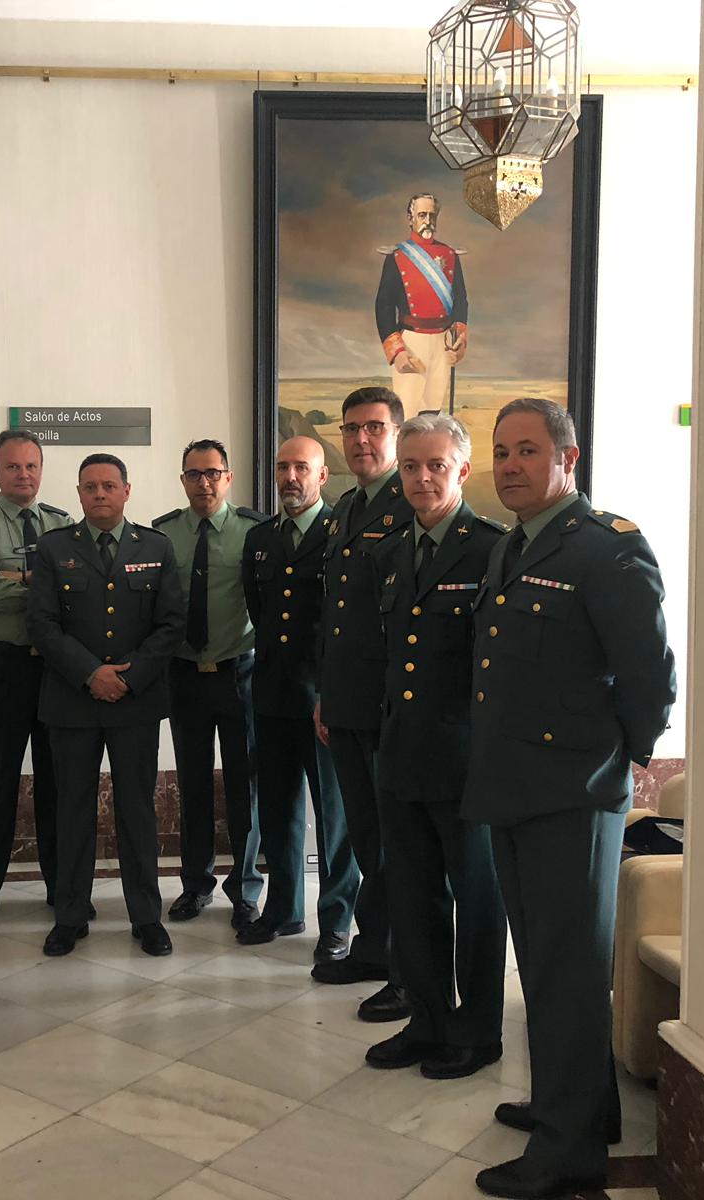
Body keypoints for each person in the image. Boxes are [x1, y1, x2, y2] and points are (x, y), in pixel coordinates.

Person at [466, 398, 675, 1200]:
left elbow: (651, 680)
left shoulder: (605, 550)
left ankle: (569, 1154)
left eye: (527, 451)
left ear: (568, 459)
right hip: (514, 787)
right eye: (502, 452)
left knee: (566, 972)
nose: (510, 465)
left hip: (573, 793)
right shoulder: (514, 546)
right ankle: (574, 1107)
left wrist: (617, 765)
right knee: (547, 967)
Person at [364, 413, 508, 1080]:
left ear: (462, 472)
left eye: (436, 466)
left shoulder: (493, 550)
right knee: (413, 897)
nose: (422, 478)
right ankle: (425, 1021)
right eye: (411, 465)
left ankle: (476, 1032)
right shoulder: (392, 551)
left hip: (467, 762)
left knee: (477, 899)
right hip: (401, 757)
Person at [27, 453, 185, 958]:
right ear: (78, 494)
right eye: (90, 486)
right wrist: (91, 673)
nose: (99, 494)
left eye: (109, 485)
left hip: (134, 703)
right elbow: (43, 625)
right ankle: (70, 915)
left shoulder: (156, 547)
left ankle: (147, 917)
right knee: (71, 810)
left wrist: (129, 677)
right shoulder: (53, 549)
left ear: (126, 491)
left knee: (137, 810)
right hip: (73, 702)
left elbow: (171, 624)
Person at [313, 385, 414, 1025]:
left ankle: (409, 972)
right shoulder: (347, 508)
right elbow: (337, 616)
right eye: (351, 429)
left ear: (397, 433)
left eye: (374, 427)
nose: (360, 439)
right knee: (368, 840)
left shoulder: (412, 504)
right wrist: (325, 693)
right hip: (346, 705)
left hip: (391, 709)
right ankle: (375, 948)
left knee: (401, 848)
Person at [238, 435, 358, 962]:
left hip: (322, 700)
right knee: (279, 811)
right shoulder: (260, 539)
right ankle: (283, 910)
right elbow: (258, 609)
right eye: (283, 466)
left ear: (322, 476)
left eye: (301, 468)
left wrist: (330, 692)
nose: (290, 476)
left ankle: (336, 922)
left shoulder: (342, 534)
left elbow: (347, 624)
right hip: (270, 694)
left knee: (334, 819)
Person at [0, 431, 72, 925]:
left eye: (31, 466)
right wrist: (43, 580)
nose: (23, 475)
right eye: (12, 467)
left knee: (58, 781)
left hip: (52, 668)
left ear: (41, 470)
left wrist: (18, 578)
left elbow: (76, 592)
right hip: (0, 665)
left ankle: (62, 886)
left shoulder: (62, 522)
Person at [154, 439, 268, 930]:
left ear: (229, 477)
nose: (204, 483)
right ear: (182, 480)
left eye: (212, 473)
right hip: (184, 675)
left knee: (245, 787)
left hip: (238, 672)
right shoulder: (163, 535)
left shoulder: (254, 531)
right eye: (194, 474)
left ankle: (244, 890)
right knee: (193, 784)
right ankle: (195, 886)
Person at [374, 192, 469, 413]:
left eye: (432, 216)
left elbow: (460, 300)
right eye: (422, 215)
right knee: (407, 415)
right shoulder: (397, 258)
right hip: (411, 342)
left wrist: (459, 338)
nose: (428, 221)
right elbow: (384, 306)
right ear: (410, 219)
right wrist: (397, 352)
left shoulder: (450, 255)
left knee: (433, 414)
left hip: (443, 343)